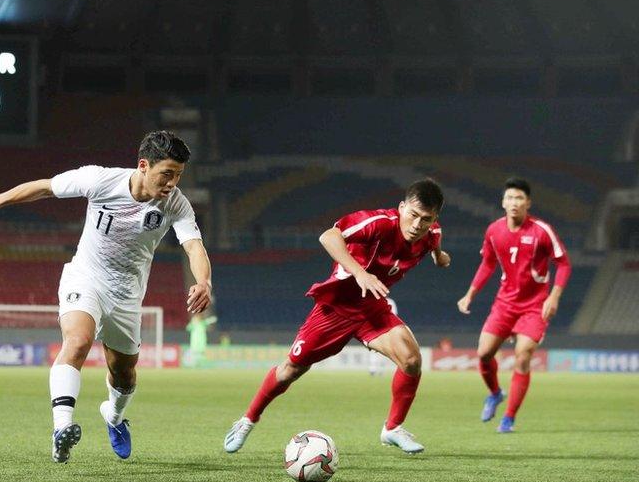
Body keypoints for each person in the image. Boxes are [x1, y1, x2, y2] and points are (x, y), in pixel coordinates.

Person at [0, 131, 212, 464]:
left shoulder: (175, 204)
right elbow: (45, 186)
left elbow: (194, 246)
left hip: (127, 294)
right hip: (87, 277)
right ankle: (61, 430)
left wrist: (204, 281)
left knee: (124, 374)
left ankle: (112, 416)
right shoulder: (99, 180)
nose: (172, 183)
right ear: (143, 165)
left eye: (178, 176)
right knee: (78, 341)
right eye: (166, 174)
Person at [224, 179, 451, 455]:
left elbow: (435, 243)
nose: (417, 224)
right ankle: (247, 420)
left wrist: (439, 257)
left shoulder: (431, 233)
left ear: (434, 218)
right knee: (291, 369)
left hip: (371, 309)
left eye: (425, 219)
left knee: (412, 360)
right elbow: (328, 237)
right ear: (402, 207)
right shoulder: (376, 222)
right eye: (413, 215)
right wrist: (360, 272)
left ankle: (392, 429)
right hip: (336, 307)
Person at [457, 177, 571, 433]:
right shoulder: (494, 231)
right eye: (510, 197)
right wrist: (470, 295)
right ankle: (496, 393)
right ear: (503, 202)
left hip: (534, 305)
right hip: (505, 303)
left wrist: (554, 297)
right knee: (484, 354)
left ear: (528, 202)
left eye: (519, 198)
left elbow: (563, 263)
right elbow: (487, 264)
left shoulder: (542, 230)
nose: (514, 203)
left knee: (523, 356)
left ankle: (508, 418)